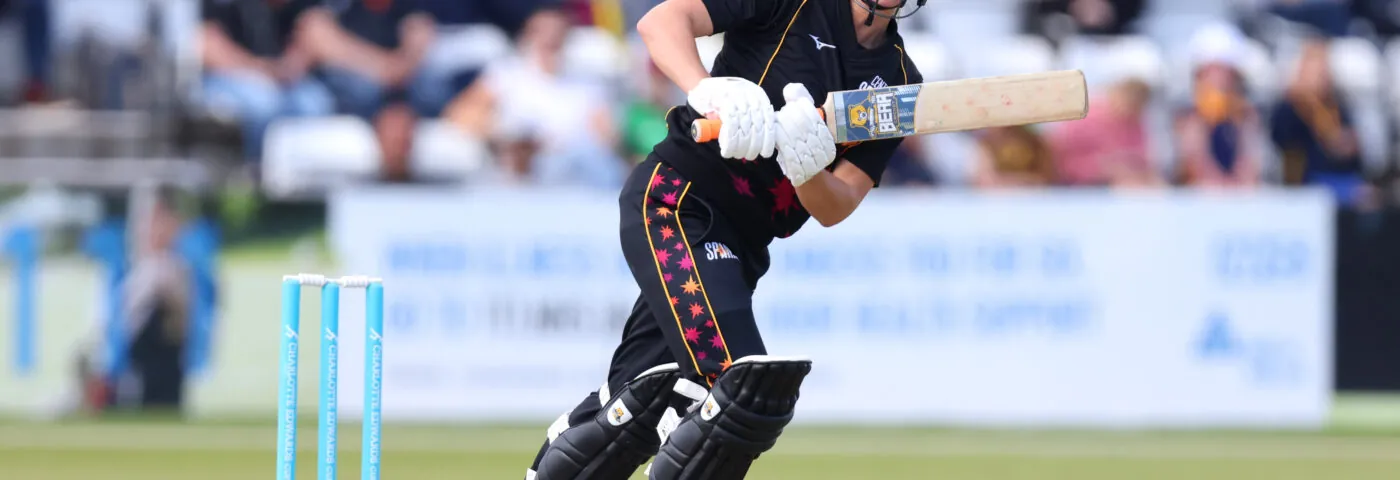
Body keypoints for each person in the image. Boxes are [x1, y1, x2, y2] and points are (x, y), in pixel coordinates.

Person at [524, 0, 926, 478]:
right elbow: (661, 22)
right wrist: (706, 90)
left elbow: (836, 205)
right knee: (742, 395)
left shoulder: (900, 83)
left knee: (632, 410)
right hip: (677, 199)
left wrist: (807, 168)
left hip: (743, 247)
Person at [200, 0, 335, 164]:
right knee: (262, 102)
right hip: (225, 75)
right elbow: (207, 45)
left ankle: (302, 177)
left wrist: (289, 67)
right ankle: (256, 175)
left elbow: (315, 27)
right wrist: (262, 70)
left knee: (314, 100)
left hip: (279, 77)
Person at [1049, 78, 1162, 188]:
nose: (1128, 110)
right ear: (1116, 95)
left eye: (1136, 107)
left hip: (1123, 185)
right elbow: (1061, 160)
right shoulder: (1082, 117)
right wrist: (1101, 168)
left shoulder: (1135, 123)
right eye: (1128, 103)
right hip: (1079, 187)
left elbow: (1142, 161)